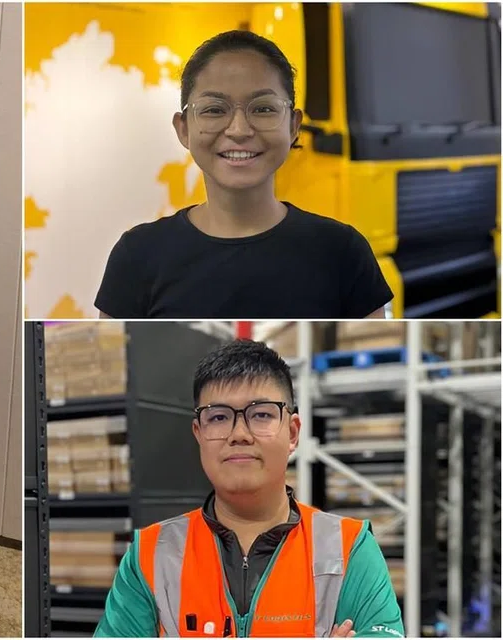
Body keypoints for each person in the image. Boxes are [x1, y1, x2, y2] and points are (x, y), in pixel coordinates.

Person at [94, 340, 404, 638]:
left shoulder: (349, 549)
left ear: (292, 432)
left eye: (261, 415)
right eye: (219, 417)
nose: (239, 434)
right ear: (198, 433)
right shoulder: (149, 556)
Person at [95, 30, 393, 319]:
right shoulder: (137, 255)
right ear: (183, 128)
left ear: (293, 126)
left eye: (263, 109)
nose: (239, 130)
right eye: (214, 110)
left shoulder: (343, 252)